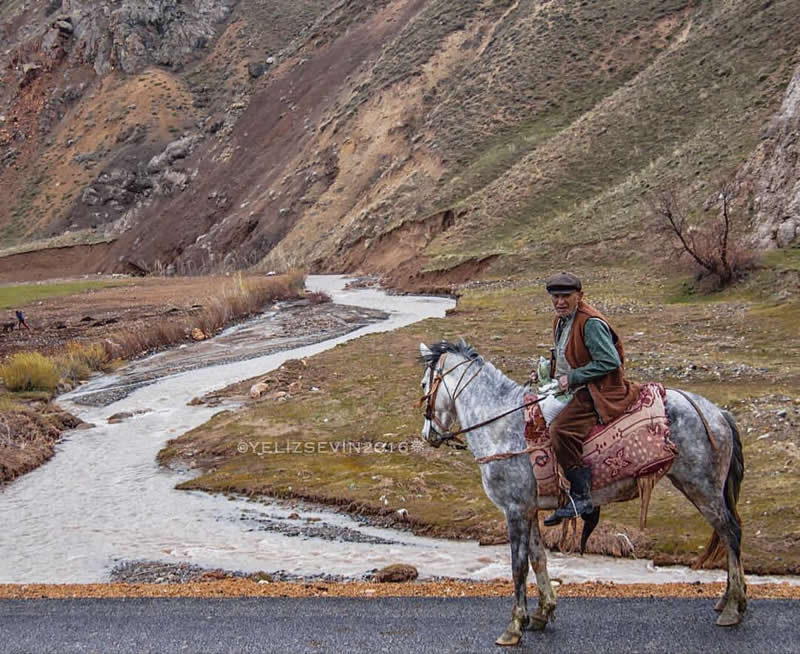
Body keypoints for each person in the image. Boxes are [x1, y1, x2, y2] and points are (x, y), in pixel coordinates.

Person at [537, 272, 640, 526]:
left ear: (579, 296)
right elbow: (565, 356)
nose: (560, 302)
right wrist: (547, 374)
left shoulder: (590, 322)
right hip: (574, 385)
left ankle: (581, 496)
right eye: (556, 297)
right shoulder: (561, 320)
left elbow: (609, 361)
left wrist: (571, 378)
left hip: (598, 389)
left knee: (560, 430)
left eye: (566, 296)